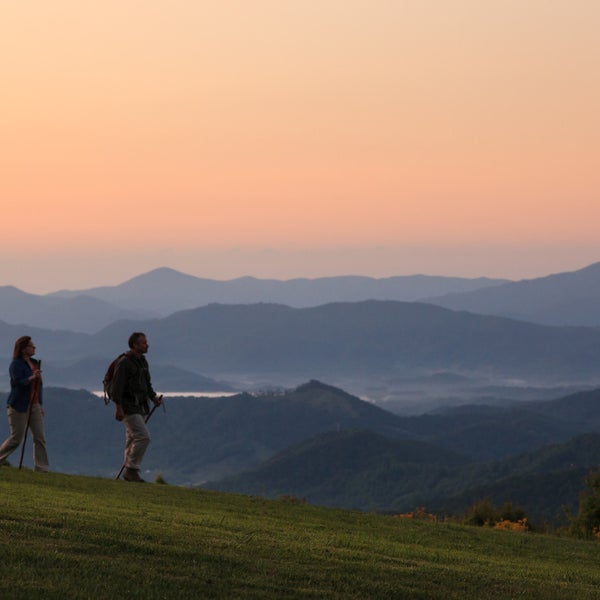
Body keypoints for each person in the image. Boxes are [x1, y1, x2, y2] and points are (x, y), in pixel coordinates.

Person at [111, 332, 162, 482]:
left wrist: (153, 398)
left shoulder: (143, 362)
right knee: (143, 436)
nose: (147, 345)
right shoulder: (125, 362)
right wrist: (118, 408)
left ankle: (129, 473)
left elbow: (147, 384)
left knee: (132, 439)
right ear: (135, 345)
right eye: (143, 343)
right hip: (128, 406)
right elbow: (116, 388)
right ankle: (131, 469)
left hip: (140, 406)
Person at [0, 336, 49, 471]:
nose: (34, 348)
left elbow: (38, 387)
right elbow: (17, 383)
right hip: (18, 406)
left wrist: (40, 405)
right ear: (23, 349)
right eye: (31, 346)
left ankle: (42, 468)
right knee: (16, 438)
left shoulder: (34, 363)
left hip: (34, 405)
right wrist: (31, 378)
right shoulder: (15, 364)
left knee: (39, 437)